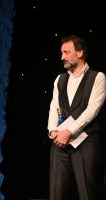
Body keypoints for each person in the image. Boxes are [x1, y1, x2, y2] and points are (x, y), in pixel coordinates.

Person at [47, 35, 106, 200]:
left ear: (80, 53)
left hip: (85, 143)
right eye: (61, 53)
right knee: (56, 194)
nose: (62, 57)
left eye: (66, 52)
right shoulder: (60, 79)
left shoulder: (97, 77)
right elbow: (54, 106)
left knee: (88, 193)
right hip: (59, 143)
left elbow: (92, 110)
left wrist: (70, 131)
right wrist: (52, 131)